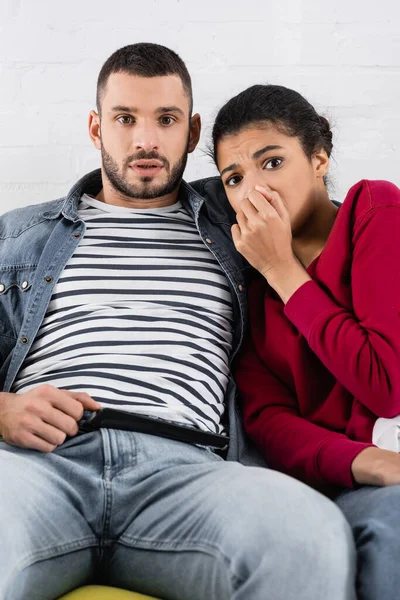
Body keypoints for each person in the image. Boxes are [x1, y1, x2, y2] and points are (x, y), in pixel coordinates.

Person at [0, 45, 356, 600]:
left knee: (306, 538)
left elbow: (324, 215)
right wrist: (1, 410)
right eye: (125, 119)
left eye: (166, 120)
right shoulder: (18, 236)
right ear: (96, 127)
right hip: (40, 467)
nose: (146, 141)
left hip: (187, 472)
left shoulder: (240, 219)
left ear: (192, 133)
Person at [210, 82, 400, 600]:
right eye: (234, 178)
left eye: (272, 163)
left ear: (319, 158)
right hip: (346, 480)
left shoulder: (374, 211)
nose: (254, 192)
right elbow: (271, 424)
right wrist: (368, 464)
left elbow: (385, 384)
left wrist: (283, 269)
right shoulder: (247, 291)